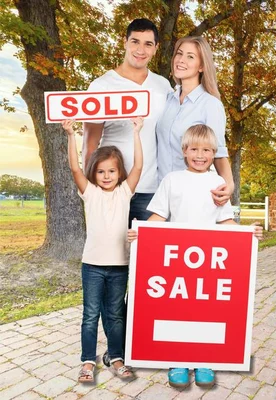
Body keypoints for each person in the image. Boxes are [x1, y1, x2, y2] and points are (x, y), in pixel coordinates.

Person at [128, 124, 263, 388]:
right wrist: (141, 232)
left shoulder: (217, 183)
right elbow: (158, 216)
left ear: (214, 153)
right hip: (178, 261)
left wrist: (247, 234)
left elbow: (224, 221)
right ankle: (177, 360)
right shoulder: (172, 180)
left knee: (206, 311)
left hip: (209, 262)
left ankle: (204, 359)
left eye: (206, 150)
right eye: (194, 149)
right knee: (178, 309)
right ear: (184, 151)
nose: (200, 155)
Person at [82, 18, 172, 369]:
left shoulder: (163, 86)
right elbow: (91, 140)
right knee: (113, 271)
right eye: (135, 42)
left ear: (155, 48)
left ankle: (137, 341)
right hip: (113, 192)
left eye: (148, 44)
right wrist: (93, 190)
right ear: (125, 42)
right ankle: (116, 349)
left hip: (151, 189)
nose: (140, 50)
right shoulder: (102, 84)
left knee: (149, 272)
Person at [62, 118, 143, 383]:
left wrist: (136, 131)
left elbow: (139, 165)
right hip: (92, 266)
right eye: (101, 172)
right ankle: (87, 362)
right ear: (93, 173)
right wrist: (70, 133)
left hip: (119, 267)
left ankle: (117, 358)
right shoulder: (90, 193)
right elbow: (75, 168)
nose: (106, 176)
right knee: (90, 315)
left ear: (120, 173)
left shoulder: (124, 193)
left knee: (115, 315)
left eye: (112, 171)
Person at [156, 36, 234, 207]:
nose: (181, 60)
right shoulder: (167, 100)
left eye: (190, 56)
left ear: (201, 66)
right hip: (160, 194)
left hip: (192, 194)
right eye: (179, 54)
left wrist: (229, 185)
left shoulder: (210, 105)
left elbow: (218, 151)